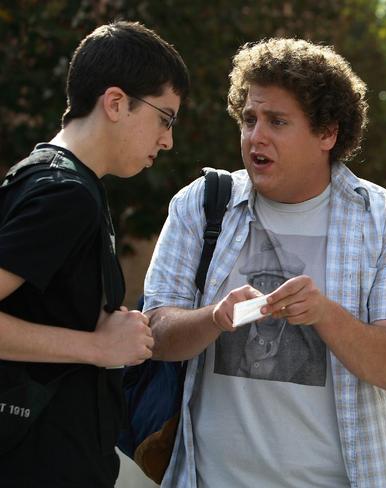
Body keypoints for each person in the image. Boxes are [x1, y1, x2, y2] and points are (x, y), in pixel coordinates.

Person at [144, 38, 386, 487]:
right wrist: (214, 318)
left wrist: (324, 313)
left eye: (277, 122)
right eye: (249, 119)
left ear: (327, 133)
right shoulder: (201, 206)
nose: (256, 136)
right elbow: (156, 334)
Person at [0, 21, 190, 487]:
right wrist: (98, 347)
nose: (167, 140)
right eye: (164, 118)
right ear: (116, 102)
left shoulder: (58, 179)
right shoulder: (65, 192)